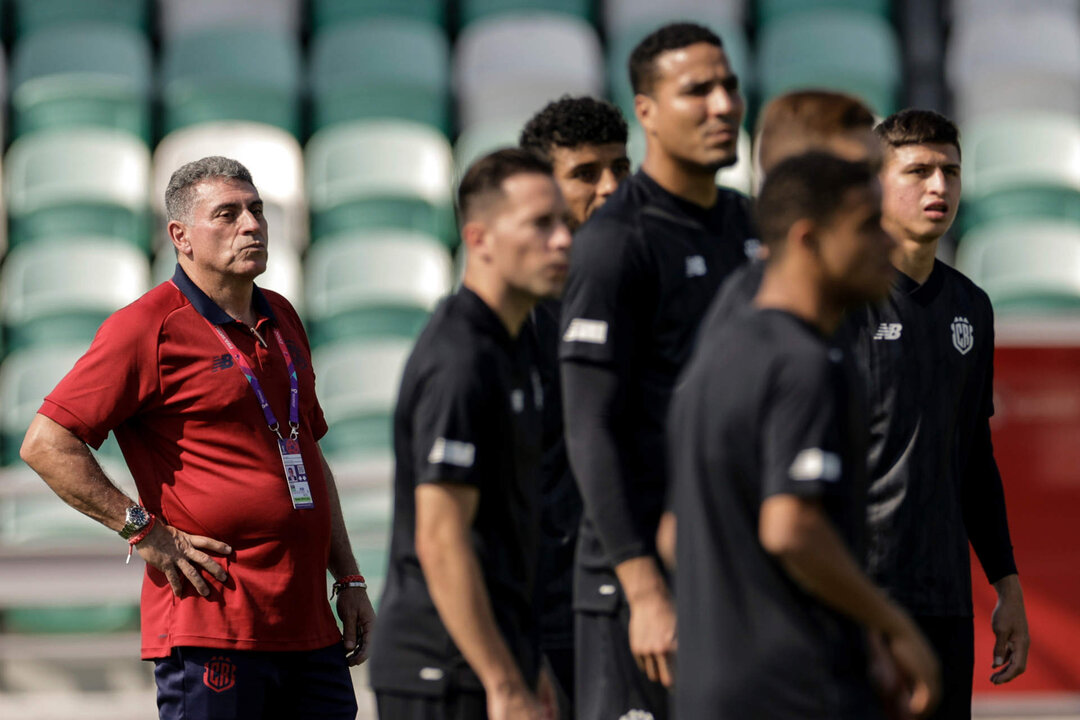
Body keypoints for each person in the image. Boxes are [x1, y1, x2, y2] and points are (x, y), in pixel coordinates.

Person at [19, 156, 374, 719]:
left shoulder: (281, 316)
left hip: (307, 624)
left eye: (256, 210)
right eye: (227, 214)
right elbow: (45, 443)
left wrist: (348, 575)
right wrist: (143, 531)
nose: (252, 225)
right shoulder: (146, 326)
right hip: (214, 621)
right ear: (180, 236)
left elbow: (306, 450)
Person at [670, 152, 941, 719]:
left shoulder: (713, 358)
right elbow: (792, 528)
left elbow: (673, 533)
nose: (887, 245)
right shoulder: (803, 364)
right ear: (807, 240)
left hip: (709, 693)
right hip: (795, 692)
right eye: (867, 226)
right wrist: (890, 625)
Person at [558, 22, 755, 720]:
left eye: (727, 85)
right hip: (642, 596)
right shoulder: (616, 242)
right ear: (646, 111)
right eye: (696, 90)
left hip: (738, 579)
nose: (723, 105)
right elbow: (589, 430)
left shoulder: (749, 227)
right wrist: (643, 590)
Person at [369, 148, 571, 720]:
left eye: (564, 223)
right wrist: (503, 681)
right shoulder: (460, 359)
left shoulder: (519, 348)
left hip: (490, 661)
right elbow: (441, 538)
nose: (562, 240)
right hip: (442, 674)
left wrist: (524, 665)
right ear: (479, 238)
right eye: (540, 224)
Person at [853, 109, 1029, 719]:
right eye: (918, 170)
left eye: (950, 171)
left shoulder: (971, 306)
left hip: (947, 600)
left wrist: (1005, 584)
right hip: (858, 599)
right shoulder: (842, 300)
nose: (939, 187)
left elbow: (975, 458)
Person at [518, 94, 631, 715]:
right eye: (586, 173)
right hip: (552, 605)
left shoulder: (650, 290)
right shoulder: (515, 313)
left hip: (643, 592)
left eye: (621, 168)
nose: (611, 188)